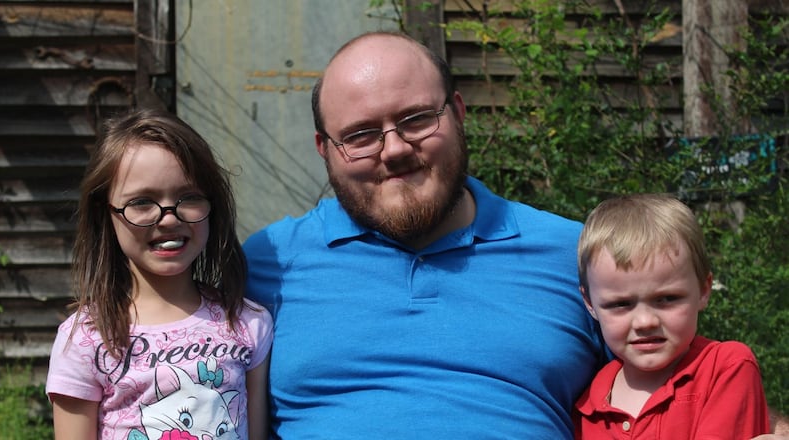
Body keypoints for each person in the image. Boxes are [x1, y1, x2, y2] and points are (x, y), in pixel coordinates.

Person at [243, 31, 789, 439]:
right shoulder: (268, 261)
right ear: (325, 149)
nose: (394, 149)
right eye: (360, 135)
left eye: (416, 119)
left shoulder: (572, 254)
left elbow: (683, 375)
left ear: (457, 114)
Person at [46, 109, 273, 440]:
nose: (168, 218)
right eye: (142, 202)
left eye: (189, 197)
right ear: (105, 213)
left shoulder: (247, 324)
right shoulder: (84, 340)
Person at [573, 193, 770, 439]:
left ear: (704, 289)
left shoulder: (725, 369)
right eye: (621, 304)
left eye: (667, 299)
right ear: (590, 303)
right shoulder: (586, 407)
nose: (645, 322)